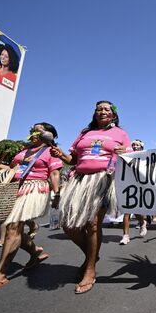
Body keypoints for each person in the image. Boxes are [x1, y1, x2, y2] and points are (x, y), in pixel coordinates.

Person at [50, 101, 131, 294]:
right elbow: (73, 160)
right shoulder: (85, 133)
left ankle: (90, 269)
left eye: (106, 109)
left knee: (93, 224)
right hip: (78, 180)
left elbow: (130, 155)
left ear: (113, 115)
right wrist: (61, 154)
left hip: (104, 179)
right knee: (68, 224)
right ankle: (91, 256)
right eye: (98, 109)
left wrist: (124, 152)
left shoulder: (120, 133)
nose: (102, 111)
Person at [0, 123, 62, 293]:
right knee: (12, 227)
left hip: (34, 188)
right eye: (32, 129)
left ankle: (0, 275)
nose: (33, 131)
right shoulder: (23, 150)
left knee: (13, 227)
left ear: (49, 135)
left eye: (39, 129)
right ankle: (35, 252)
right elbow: (12, 170)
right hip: (15, 188)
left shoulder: (51, 151)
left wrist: (57, 195)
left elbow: (54, 173)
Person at [119, 139, 148, 245]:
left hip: (140, 185)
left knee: (135, 209)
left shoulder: (145, 156)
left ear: (141, 146)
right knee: (127, 211)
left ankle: (142, 222)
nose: (135, 146)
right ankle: (125, 236)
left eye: (137, 145)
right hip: (127, 184)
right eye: (133, 145)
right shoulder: (126, 155)